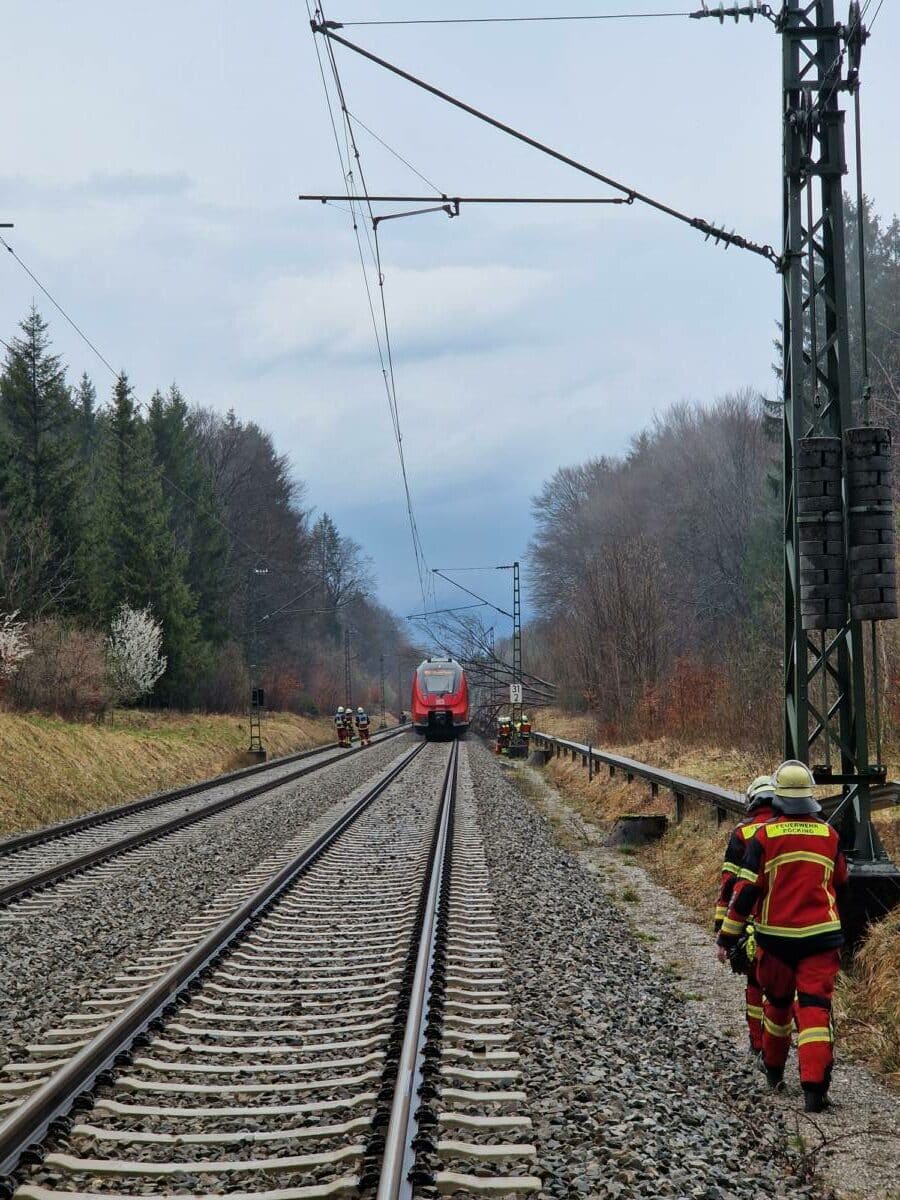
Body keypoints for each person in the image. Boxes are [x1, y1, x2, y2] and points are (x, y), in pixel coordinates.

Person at [717, 760, 847, 1112]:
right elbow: (841, 882)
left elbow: (745, 892)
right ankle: (815, 1091)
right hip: (821, 939)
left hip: (775, 940)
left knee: (776, 1004)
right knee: (815, 1010)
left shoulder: (764, 836)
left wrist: (727, 938)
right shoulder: (829, 835)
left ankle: (774, 1071)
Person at [713, 774, 777, 1056]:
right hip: (786, 918)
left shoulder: (743, 832)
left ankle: (758, 1043)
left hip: (750, 921)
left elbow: (729, 881)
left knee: (755, 983)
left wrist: (722, 927)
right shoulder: (788, 829)